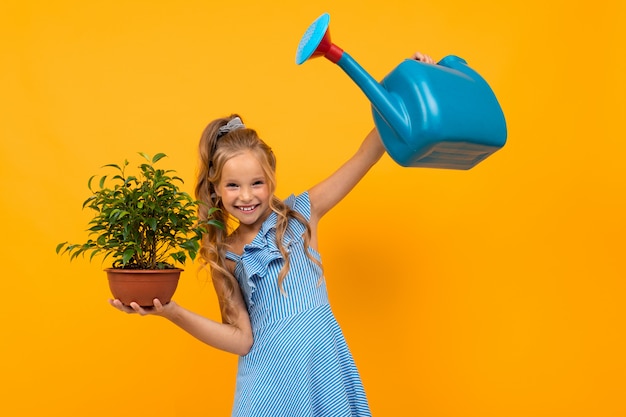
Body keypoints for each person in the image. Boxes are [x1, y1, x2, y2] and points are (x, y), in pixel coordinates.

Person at [110, 52, 435, 416]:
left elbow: (368, 151)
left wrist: (413, 85)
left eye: (257, 183)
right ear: (216, 189)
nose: (246, 196)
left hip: (320, 372)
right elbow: (241, 339)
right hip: (268, 385)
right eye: (233, 185)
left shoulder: (300, 214)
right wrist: (172, 312)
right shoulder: (225, 256)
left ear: (271, 180)